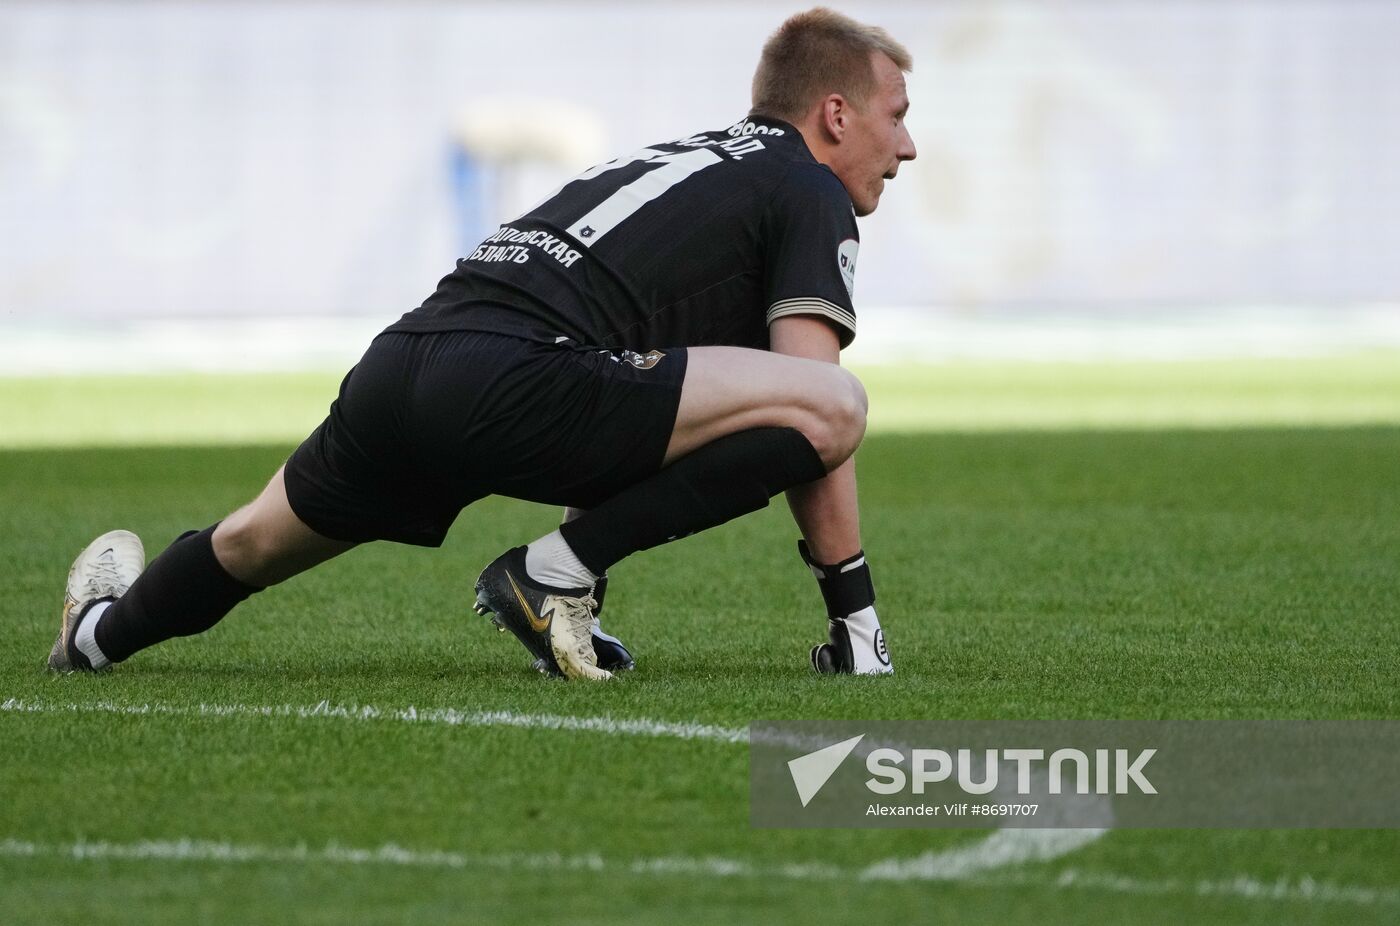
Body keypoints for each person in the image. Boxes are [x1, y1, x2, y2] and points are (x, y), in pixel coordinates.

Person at [49, 6, 917, 681]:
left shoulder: (688, 165)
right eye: (898, 115)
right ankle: (553, 573)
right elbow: (814, 403)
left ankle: (97, 636)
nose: (907, 147)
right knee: (834, 405)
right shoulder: (806, 189)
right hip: (517, 378)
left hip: (405, 362)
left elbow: (644, 389)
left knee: (250, 545)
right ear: (834, 114)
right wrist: (856, 622)